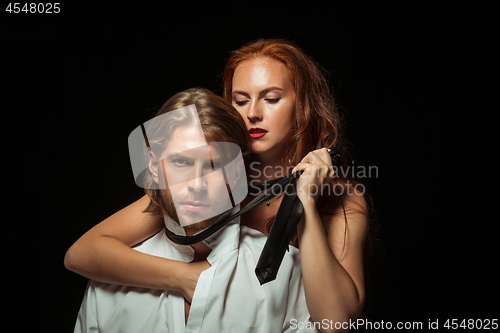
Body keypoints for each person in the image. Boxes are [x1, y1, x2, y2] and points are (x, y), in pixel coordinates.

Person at [65, 39, 371, 332]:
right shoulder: (206, 186)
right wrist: (182, 276)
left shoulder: (341, 198)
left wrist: (304, 200)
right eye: (240, 100)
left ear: (302, 107)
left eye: (272, 99)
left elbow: (335, 321)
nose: (252, 113)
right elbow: (83, 253)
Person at [71, 88, 318, 332]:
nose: (197, 184)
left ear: (235, 170)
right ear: (153, 166)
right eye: (181, 162)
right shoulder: (108, 283)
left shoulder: (287, 272)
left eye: (214, 165)